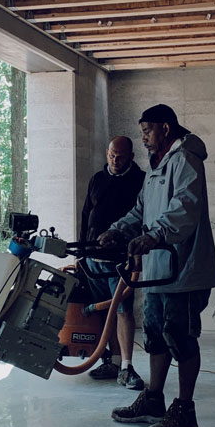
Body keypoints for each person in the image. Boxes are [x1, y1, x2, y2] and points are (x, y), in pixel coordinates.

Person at [98, 104, 215, 427]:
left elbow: (185, 207)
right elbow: (141, 210)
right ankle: (154, 400)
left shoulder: (186, 159)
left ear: (166, 129)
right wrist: (118, 230)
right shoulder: (156, 166)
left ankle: (185, 410)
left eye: (148, 131)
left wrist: (155, 236)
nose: (144, 139)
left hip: (185, 269)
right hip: (157, 271)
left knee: (181, 338)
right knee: (154, 335)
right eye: (142, 133)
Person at [79, 136, 146, 389]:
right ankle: (114, 361)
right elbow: (86, 215)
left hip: (121, 259)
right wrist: (81, 253)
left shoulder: (140, 181)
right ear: (106, 153)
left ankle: (128, 367)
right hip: (93, 259)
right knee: (105, 311)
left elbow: (143, 217)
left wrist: (137, 251)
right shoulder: (97, 178)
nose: (115, 160)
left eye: (120, 156)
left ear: (130, 156)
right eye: (111, 155)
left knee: (122, 310)